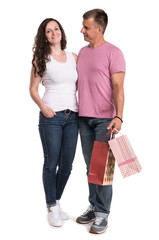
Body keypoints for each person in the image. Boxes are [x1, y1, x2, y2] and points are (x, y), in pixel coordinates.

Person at [76, 9, 126, 234]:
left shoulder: (113, 52)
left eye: (86, 27)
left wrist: (119, 116)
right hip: (83, 117)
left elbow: (118, 87)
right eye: (83, 26)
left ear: (99, 28)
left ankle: (103, 213)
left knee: (102, 167)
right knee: (90, 167)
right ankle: (93, 205)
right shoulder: (82, 52)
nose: (82, 31)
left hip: (105, 119)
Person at [29, 18, 78, 227]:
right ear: (44, 36)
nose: (53, 33)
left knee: (67, 164)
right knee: (51, 163)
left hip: (73, 116)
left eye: (56, 28)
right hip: (51, 117)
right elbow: (32, 89)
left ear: (61, 31)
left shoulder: (74, 57)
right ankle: (51, 206)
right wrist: (42, 106)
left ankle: (56, 202)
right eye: (48, 31)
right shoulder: (41, 58)